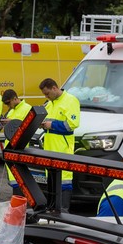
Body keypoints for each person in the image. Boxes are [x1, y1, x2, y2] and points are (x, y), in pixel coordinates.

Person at [39, 77, 81, 210]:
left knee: (64, 181)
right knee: (52, 181)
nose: (46, 96)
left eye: (47, 93)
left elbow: (72, 125)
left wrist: (51, 125)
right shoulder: (50, 103)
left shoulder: (70, 100)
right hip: (50, 148)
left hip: (62, 149)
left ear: (54, 88)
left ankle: (64, 211)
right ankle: (52, 209)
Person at [1, 89, 32, 196]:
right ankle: (17, 201)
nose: (8, 106)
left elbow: (28, 126)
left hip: (20, 147)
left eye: (8, 103)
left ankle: (21, 202)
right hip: (10, 147)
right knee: (13, 178)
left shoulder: (27, 108)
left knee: (19, 178)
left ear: (15, 98)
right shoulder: (11, 111)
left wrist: (12, 122)